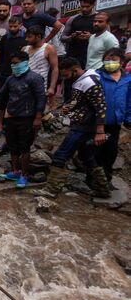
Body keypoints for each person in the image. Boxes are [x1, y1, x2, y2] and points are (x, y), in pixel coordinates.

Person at [33, 57, 110, 198]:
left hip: (84, 126)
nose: (65, 77)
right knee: (87, 157)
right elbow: (80, 101)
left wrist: (100, 130)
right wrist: (68, 107)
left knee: (61, 155)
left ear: (75, 69)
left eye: (66, 74)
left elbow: (101, 107)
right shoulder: (80, 81)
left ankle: (51, 189)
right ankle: (103, 189)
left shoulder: (90, 82)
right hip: (81, 123)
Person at [0, 51, 46, 189]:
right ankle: (15, 171)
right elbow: (2, 94)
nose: (14, 66)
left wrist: (38, 117)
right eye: (12, 63)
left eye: (16, 63)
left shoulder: (35, 78)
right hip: (11, 117)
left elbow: (41, 98)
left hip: (27, 118)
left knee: (24, 147)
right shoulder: (11, 79)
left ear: (25, 62)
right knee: (12, 145)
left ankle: (24, 175)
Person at [94, 48, 131, 184]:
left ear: (121, 62)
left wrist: (128, 118)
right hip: (98, 121)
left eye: (114, 59)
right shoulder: (97, 76)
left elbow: (129, 100)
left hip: (115, 122)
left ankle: (106, 179)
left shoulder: (127, 79)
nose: (110, 62)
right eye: (107, 59)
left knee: (111, 151)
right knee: (96, 151)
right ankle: (94, 180)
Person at [0, 16, 28, 138]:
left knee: (16, 101)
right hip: (5, 73)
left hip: (20, 74)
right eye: (11, 26)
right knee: (2, 101)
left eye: (15, 26)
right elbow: (0, 56)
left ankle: (11, 127)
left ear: (20, 25)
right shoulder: (5, 38)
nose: (13, 28)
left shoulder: (25, 39)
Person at [61, 0, 97, 102]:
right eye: (82, 6)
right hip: (73, 56)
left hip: (90, 57)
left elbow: (105, 37)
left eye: (87, 6)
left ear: (93, 5)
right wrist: (72, 36)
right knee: (69, 82)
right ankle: (68, 105)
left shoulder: (98, 19)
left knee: (88, 83)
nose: (84, 9)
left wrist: (91, 37)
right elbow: (63, 37)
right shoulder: (73, 19)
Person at [23, 25, 59, 108]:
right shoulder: (25, 49)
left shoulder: (48, 48)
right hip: (25, 86)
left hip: (41, 86)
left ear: (38, 36)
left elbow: (55, 69)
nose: (26, 39)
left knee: (39, 110)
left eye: (30, 37)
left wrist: (52, 87)